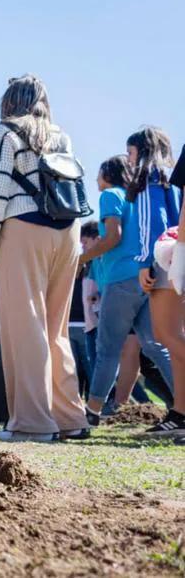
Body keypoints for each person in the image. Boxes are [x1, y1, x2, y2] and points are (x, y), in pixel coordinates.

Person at [0, 74, 89, 442]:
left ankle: (32, 423)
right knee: (55, 330)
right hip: (68, 231)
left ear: (9, 100)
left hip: (23, 228)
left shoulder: (3, 132)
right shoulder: (60, 135)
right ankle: (71, 417)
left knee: (25, 327)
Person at [80, 155, 174, 426]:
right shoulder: (138, 197)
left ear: (106, 173)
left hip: (121, 279)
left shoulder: (110, 195)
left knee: (107, 349)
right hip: (148, 278)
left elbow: (113, 236)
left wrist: (80, 260)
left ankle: (93, 411)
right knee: (155, 346)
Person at [130, 128, 185, 436]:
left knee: (167, 333)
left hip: (166, 255)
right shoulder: (169, 173)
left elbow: (155, 221)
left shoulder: (151, 174)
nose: (129, 158)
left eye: (131, 152)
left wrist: (145, 261)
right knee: (172, 336)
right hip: (177, 251)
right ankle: (180, 413)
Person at [79, 221, 101, 400]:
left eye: (85, 242)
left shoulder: (101, 261)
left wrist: (97, 295)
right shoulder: (87, 265)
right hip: (89, 325)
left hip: (100, 321)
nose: (83, 247)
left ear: (97, 239)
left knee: (102, 368)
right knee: (95, 369)